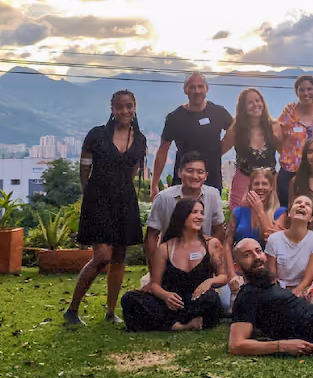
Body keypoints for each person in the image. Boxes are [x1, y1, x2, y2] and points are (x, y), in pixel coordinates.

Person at [65, 90, 148, 326]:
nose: (124, 111)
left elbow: (132, 173)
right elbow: (84, 168)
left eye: (129, 106)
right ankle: (72, 310)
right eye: (119, 107)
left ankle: (111, 313)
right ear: (112, 109)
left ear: (134, 107)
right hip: (98, 199)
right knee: (102, 257)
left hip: (125, 201)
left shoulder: (140, 139)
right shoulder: (97, 135)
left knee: (120, 257)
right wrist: (89, 194)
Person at [121, 197, 228, 332]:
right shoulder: (165, 248)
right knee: (130, 299)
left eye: (201, 213)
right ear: (182, 216)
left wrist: (210, 282)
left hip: (196, 300)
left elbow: (224, 276)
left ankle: (167, 322)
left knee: (211, 299)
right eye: (194, 212)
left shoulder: (212, 244)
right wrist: (165, 296)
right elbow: (154, 284)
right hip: (170, 301)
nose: (200, 217)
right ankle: (180, 325)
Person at [143, 152, 229, 310]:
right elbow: (151, 236)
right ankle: (177, 320)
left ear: (206, 175)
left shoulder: (213, 195)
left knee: (222, 304)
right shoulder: (164, 198)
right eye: (189, 170)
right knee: (139, 299)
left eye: (200, 172)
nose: (195, 176)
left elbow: (219, 229)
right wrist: (155, 271)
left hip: (202, 264)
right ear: (179, 173)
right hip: (170, 263)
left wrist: (210, 258)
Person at [152, 73, 232, 198]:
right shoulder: (175, 117)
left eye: (200, 86)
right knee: (180, 216)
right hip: (183, 181)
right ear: (185, 90)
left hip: (212, 180)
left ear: (207, 88)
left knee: (210, 216)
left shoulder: (218, 112)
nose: (197, 91)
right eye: (192, 87)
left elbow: (235, 132)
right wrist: (154, 184)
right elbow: (163, 150)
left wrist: (218, 151)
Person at [276, 75, 313, 207]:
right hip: (290, 172)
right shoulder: (288, 113)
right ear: (296, 92)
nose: (306, 93)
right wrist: (288, 155)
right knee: (288, 211)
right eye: (302, 90)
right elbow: (276, 137)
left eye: (309, 89)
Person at [222, 88, 280, 212]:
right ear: (243, 108)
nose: (255, 105)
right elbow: (218, 152)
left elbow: (286, 154)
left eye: (258, 101)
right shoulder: (236, 130)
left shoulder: (274, 127)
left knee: (270, 222)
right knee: (241, 222)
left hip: (270, 185)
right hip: (243, 186)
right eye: (250, 102)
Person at [264, 195, 313, 304]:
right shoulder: (274, 239)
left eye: (307, 204)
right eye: (298, 202)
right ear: (289, 214)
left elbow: (308, 278)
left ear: (311, 218)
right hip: (278, 288)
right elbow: (272, 275)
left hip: (302, 289)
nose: (302, 205)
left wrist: (292, 296)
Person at [228, 167, 287, 249]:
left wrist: (260, 212)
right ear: (250, 187)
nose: (260, 187)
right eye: (256, 184)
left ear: (271, 187)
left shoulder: (280, 212)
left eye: (264, 184)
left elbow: (271, 241)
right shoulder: (238, 212)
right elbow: (227, 243)